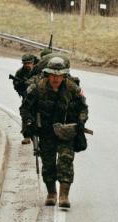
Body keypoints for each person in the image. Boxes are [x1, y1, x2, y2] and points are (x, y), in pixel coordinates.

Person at [20, 57, 88, 208]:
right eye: (53, 75)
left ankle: (64, 195)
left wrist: (81, 123)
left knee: (65, 160)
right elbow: (25, 108)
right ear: (48, 74)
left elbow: (83, 108)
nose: (56, 78)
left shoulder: (72, 88)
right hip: (46, 132)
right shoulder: (38, 88)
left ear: (64, 75)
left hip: (66, 131)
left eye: (59, 75)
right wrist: (29, 124)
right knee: (48, 164)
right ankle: (51, 193)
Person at [12, 54, 38, 144]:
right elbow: (16, 86)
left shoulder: (38, 70)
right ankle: (26, 136)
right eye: (25, 63)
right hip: (27, 96)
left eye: (29, 63)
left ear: (33, 62)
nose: (27, 65)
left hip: (39, 96)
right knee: (25, 113)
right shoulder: (20, 72)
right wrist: (22, 89)